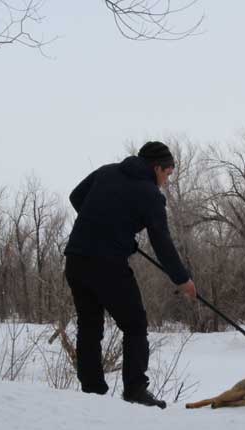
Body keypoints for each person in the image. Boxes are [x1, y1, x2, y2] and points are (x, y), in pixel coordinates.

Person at [63, 141, 197, 409]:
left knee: (89, 326)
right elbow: (162, 241)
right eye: (167, 173)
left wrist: (105, 224)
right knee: (135, 324)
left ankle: (92, 390)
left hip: (76, 259)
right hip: (108, 265)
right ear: (156, 167)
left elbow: (76, 196)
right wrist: (182, 279)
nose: (166, 181)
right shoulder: (150, 194)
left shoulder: (107, 172)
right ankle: (135, 389)